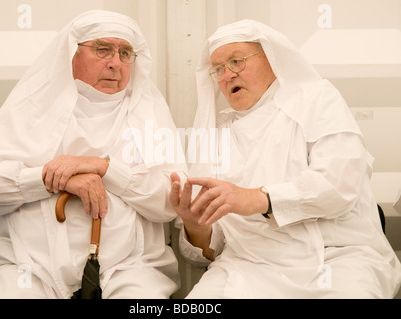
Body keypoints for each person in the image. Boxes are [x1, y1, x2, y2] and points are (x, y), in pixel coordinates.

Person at [170, 19, 401, 298]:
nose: (227, 75)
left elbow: (341, 186)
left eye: (236, 61)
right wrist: (196, 224)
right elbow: (209, 251)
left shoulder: (316, 99)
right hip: (248, 267)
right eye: (218, 68)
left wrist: (257, 198)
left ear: (271, 58)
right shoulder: (217, 134)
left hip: (335, 259)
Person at [0, 10, 186, 299]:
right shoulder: (33, 105)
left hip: (130, 269)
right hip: (26, 265)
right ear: (72, 55)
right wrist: (54, 179)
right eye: (103, 50)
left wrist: (104, 169)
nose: (115, 63)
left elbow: (172, 201)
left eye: (125, 53)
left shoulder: (149, 111)